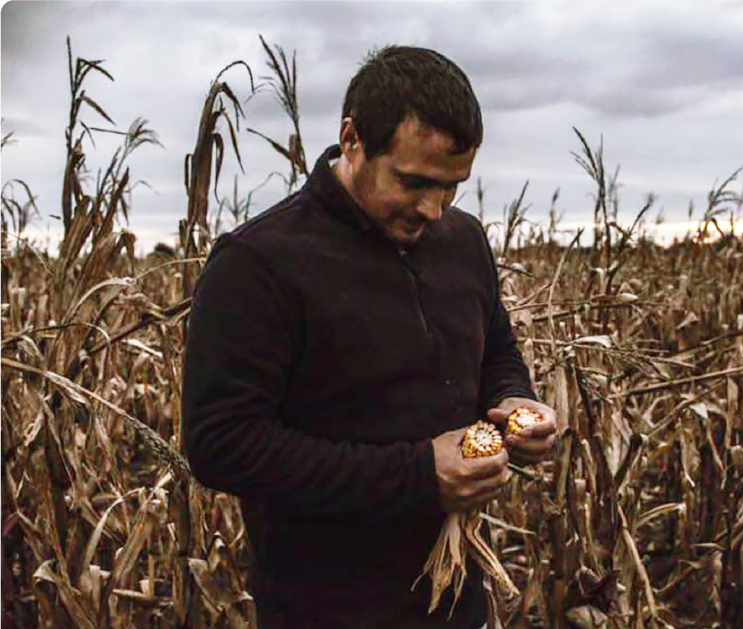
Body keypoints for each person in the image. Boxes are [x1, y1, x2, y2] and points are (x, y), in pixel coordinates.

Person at [181, 45, 557, 629]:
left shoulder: (463, 242)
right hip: (326, 608)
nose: (433, 209)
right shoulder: (259, 264)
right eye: (413, 182)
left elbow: (496, 353)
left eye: (452, 186)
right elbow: (222, 444)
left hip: (457, 600)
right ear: (352, 140)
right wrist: (416, 476)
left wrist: (513, 403)